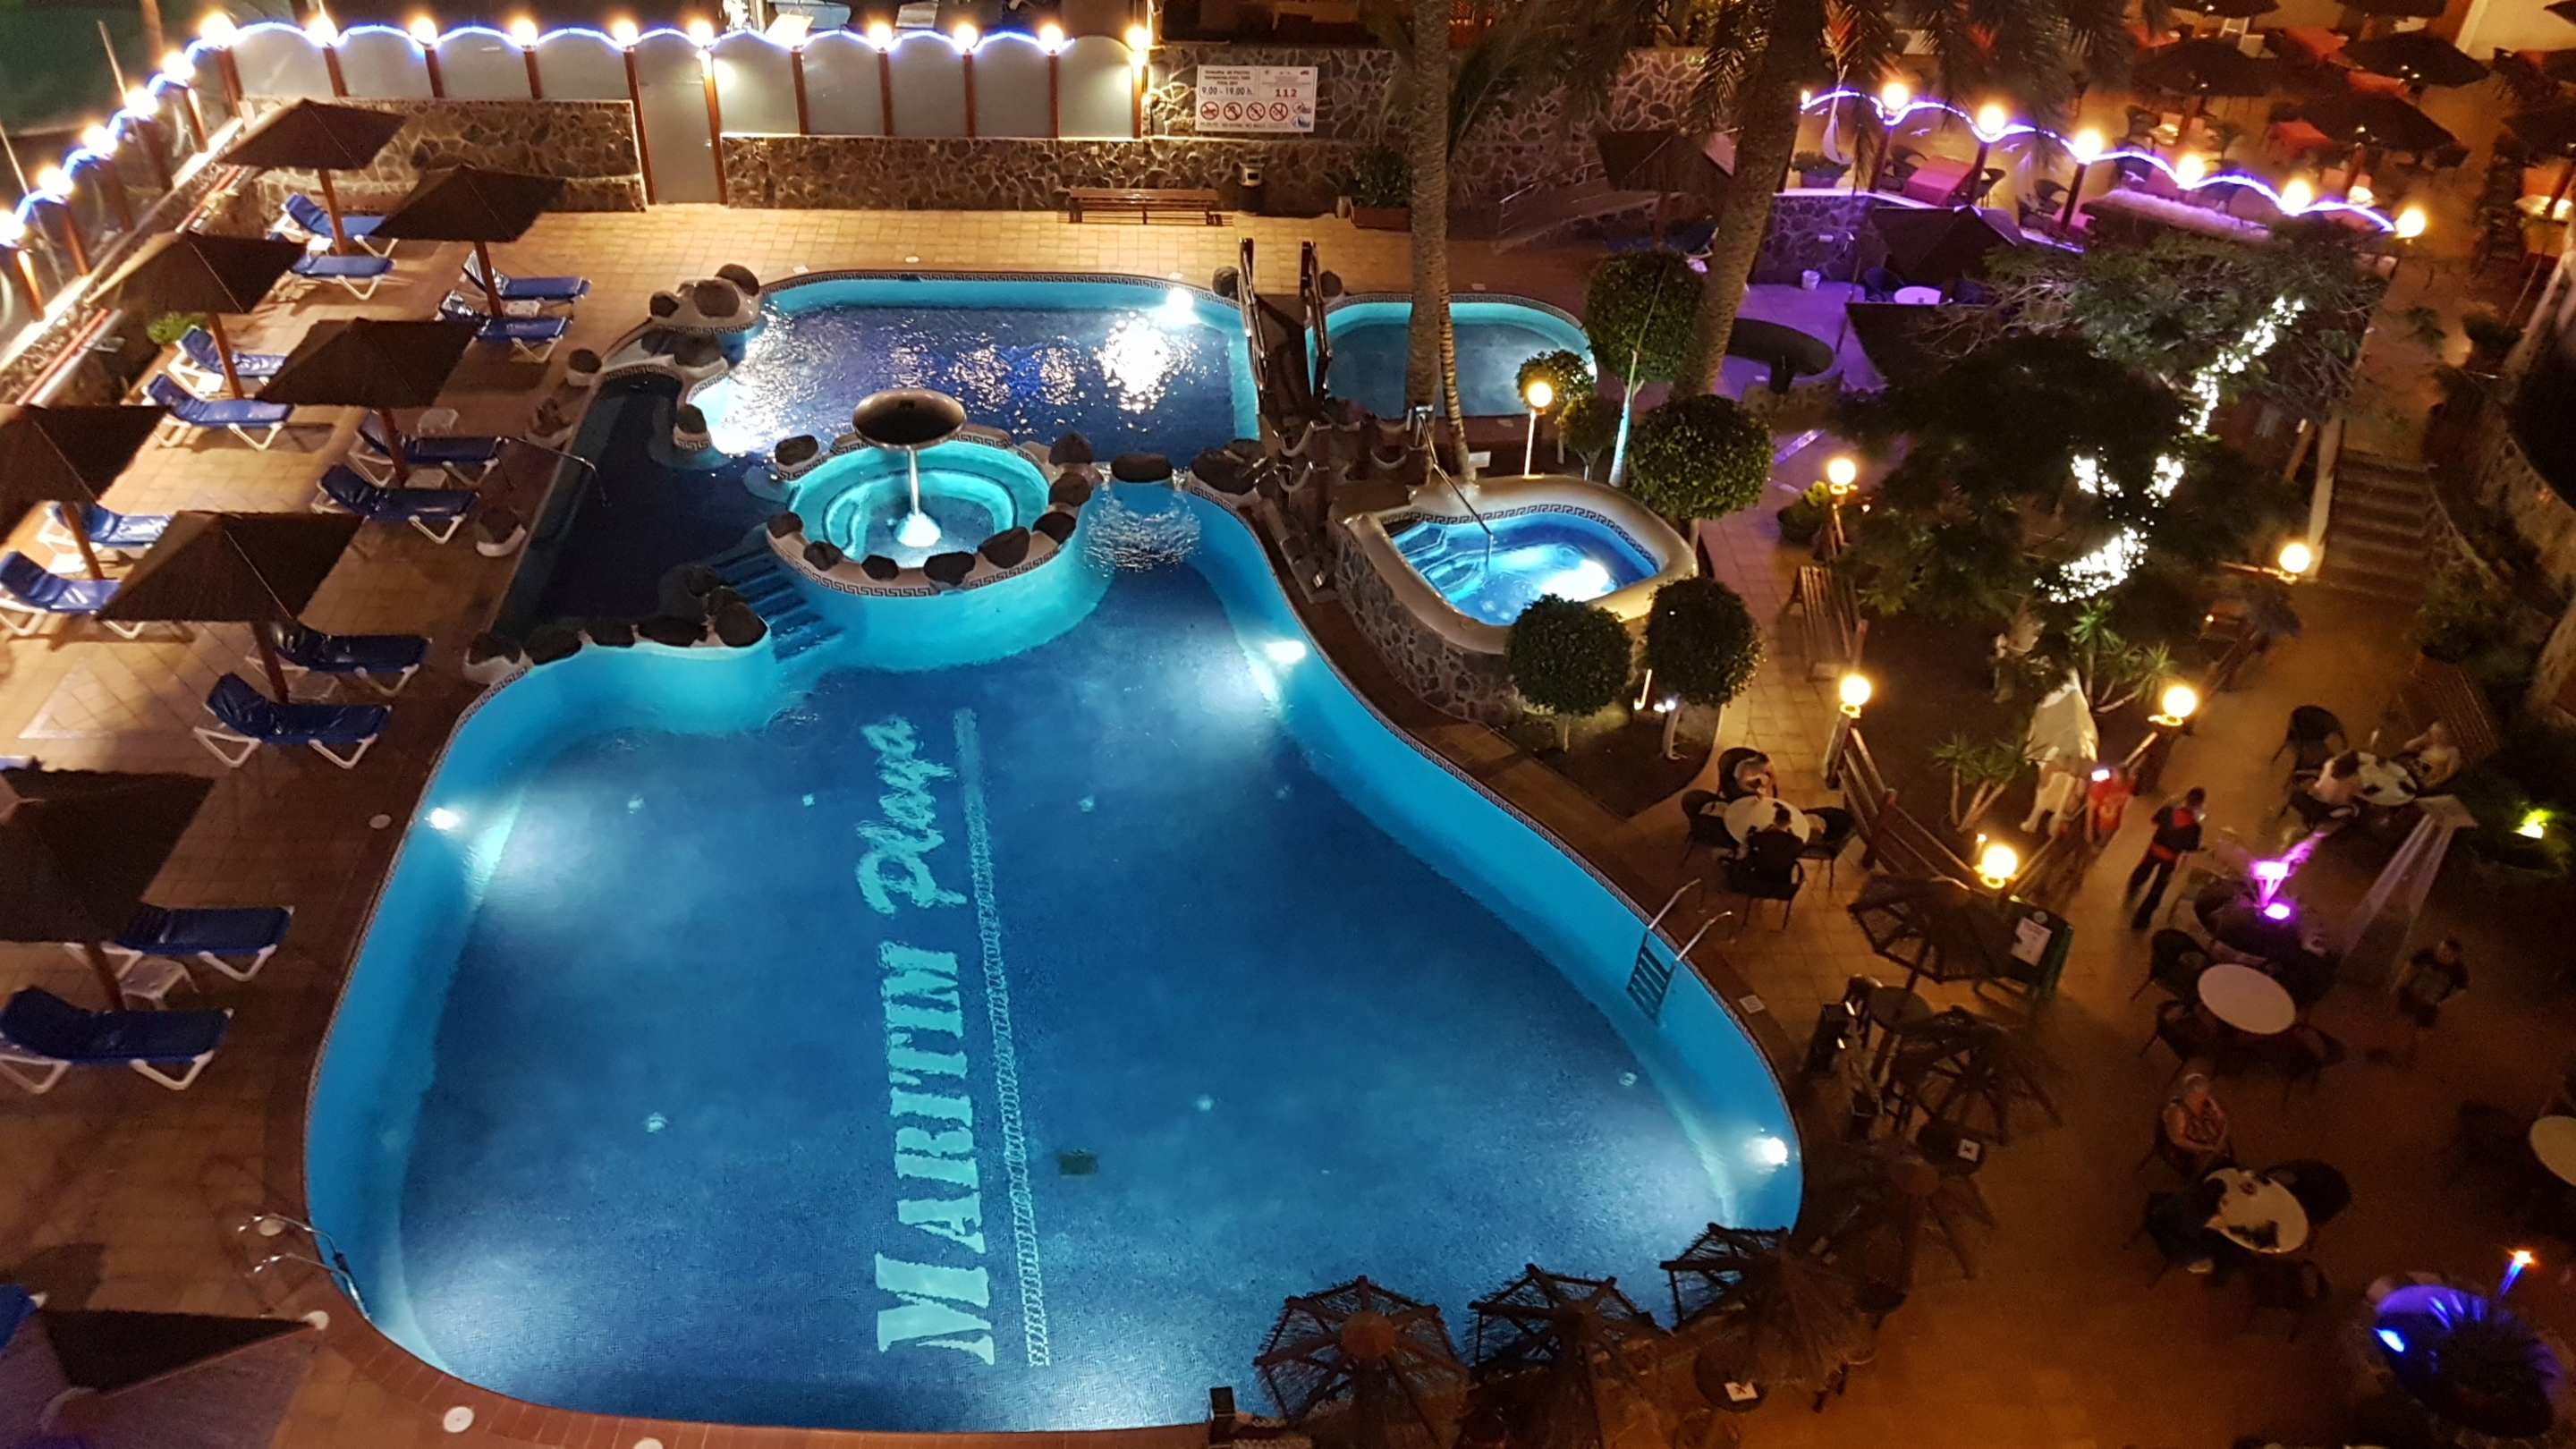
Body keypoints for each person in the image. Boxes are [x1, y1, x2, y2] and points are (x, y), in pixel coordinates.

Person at [2376, 937, 2469, 1066]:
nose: (2439, 954)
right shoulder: (2427, 954)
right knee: (2401, 1020)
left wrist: (2443, 1004)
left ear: (2454, 956)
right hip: (2412, 994)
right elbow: (2409, 967)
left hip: (2431, 1003)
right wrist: (2397, 986)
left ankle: (2410, 1055)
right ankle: (2389, 1048)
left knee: (2421, 1032)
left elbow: (2463, 990)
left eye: (2444, 953)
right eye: (2440, 949)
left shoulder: (2459, 969)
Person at [2127, 786, 2207, 929]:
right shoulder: (2194, 827)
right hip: (2169, 859)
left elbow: (2154, 820)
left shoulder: (2168, 810)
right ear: (2199, 805)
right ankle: (2141, 920)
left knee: (2143, 870)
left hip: (2153, 850)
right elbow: (2191, 847)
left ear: (2186, 798)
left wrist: (2168, 803)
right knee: (2157, 889)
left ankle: (2133, 885)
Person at [2160, 1073, 2234, 1177]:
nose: (2206, 1096)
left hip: (2216, 1147)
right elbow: (2177, 1140)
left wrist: (2221, 1140)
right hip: (2196, 1156)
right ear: (2193, 1095)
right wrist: (2206, 1148)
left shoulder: (2207, 1103)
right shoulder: (2177, 1111)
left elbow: (2223, 1120)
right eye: (2203, 1095)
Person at [2399, 722, 2462, 792]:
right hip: (2413, 770)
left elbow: (2449, 773)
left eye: (2439, 734)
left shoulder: (2452, 751)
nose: (2436, 737)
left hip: (2426, 779)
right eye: (2433, 734)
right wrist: (2422, 737)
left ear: (2446, 734)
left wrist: (2434, 783)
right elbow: (2407, 747)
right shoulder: (2430, 744)